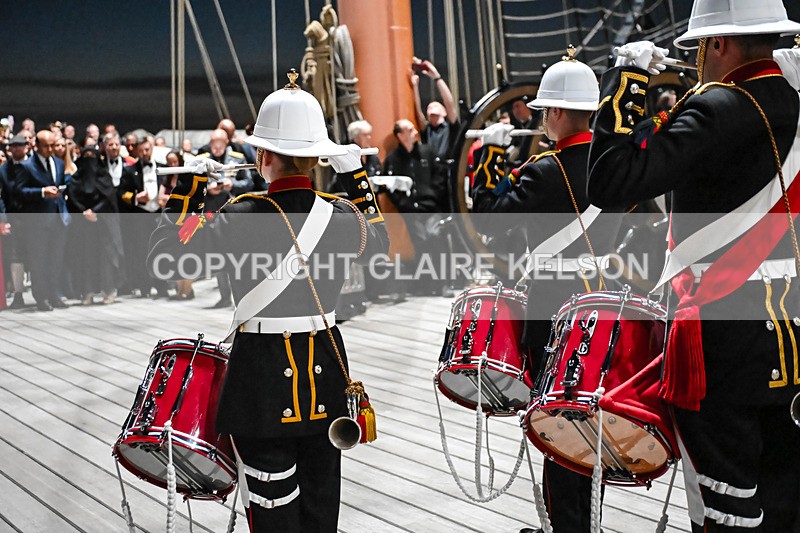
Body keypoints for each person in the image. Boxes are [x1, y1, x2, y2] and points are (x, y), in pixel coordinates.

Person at [587, 1, 800, 531]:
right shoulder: (793, 101)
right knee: (787, 495)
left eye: (698, 49)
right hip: (793, 327)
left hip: (725, 337)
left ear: (718, 44)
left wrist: (628, 83)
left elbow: (611, 181)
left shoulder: (718, 107)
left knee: (726, 504)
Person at [147, 72, 388, 533]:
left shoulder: (239, 215)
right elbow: (378, 240)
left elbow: (164, 256)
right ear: (318, 158)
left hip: (260, 385)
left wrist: (188, 190)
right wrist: (356, 176)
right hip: (326, 381)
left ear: (262, 156)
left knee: (273, 512)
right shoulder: (340, 215)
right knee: (321, 510)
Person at [472, 51, 620, 533]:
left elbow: (489, 223)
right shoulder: (616, 163)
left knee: (557, 422)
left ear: (555, 112)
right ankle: (587, 520)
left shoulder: (541, 170)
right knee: (590, 419)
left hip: (553, 307)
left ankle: (569, 525)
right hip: (603, 303)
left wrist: (488, 158)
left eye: (544, 111)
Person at [12, 130, 71, 311]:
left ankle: (54, 294)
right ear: (36, 146)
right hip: (37, 221)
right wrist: (42, 192)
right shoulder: (27, 165)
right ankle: (41, 297)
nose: (51, 149)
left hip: (58, 218)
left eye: (53, 145)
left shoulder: (59, 163)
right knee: (39, 261)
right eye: (47, 146)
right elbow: (19, 192)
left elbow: (61, 185)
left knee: (56, 260)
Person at [66, 145, 123, 305]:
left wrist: (95, 211)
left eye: (93, 157)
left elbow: (109, 197)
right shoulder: (77, 177)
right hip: (82, 225)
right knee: (85, 257)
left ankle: (109, 290)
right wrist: (84, 211)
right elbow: (73, 197)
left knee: (105, 258)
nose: (89, 161)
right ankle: (87, 291)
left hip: (103, 223)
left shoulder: (104, 176)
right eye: (86, 157)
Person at [410, 59, 460, 158]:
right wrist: (415, 86)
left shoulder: (451, 127)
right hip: (432, 170)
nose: (431, 107)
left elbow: (449, 103)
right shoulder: (427, 129)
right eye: (429, 107)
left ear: (445, 112)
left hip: (449, 168)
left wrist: (437, 77)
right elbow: (419, 113)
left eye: (436, 105)